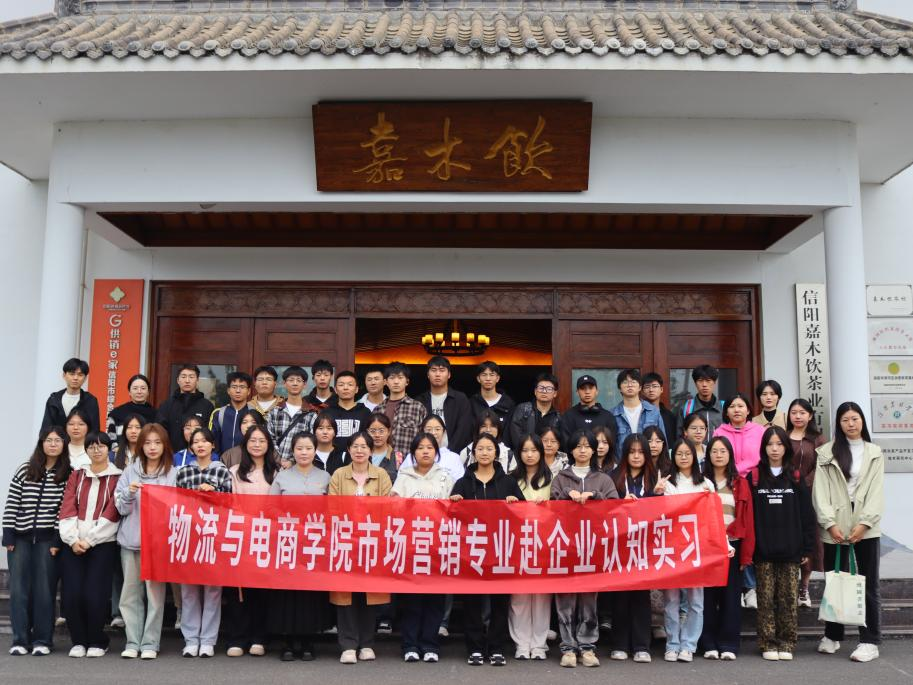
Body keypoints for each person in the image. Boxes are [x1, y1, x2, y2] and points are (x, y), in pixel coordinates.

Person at [813, 402, 884, 663]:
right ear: (839, 424)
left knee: (868, 583)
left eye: (855, 419)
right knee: (835, 581)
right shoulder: (826, 453)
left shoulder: (874, 452)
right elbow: (820, 492)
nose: (851, 424)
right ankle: (832, 636)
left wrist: (864, 524)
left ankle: (869, 640)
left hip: (865, 527)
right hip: (835, 525)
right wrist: (829, 523)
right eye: (845, 420)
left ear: (862, 420)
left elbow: (876, 492)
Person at [451, 433, 524, 666]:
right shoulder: (463, 482)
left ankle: (496, 648)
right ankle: (474, 648)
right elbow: (450, 516)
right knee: (472, 602)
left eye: (489, 449)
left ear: (496, 453)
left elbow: (524, 515)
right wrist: (454, 503)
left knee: (500, 602)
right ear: (474, 453)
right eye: (480, 449)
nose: (484, 453)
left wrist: (515, 504)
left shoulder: (508, 482)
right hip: (471, 551)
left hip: (501, 550)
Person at [551, 429, 618, 668]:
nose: (582, 450)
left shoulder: (603, 479)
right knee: (565, 599)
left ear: (593, 450)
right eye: (578, 446)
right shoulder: (561, 478)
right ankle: (568, 648)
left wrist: (595, 495)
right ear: (571, 450)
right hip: (566, 547)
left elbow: (616, 507)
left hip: (593, 548)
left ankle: (588, 647)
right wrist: (565, 494)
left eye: (587, 446)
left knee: (589, 599)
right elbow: (550, 508)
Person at [3, 427, 70, 656]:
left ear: (64, 445)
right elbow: (12, 503)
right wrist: (8, 534)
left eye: (57, 440)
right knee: (18, 590)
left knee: (44, 591)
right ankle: (20, 639)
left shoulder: (67, 473)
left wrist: (57, 540)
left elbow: (63, 511)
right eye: (48, 440)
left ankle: (43, 640)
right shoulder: (26, 469)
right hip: (19, 538)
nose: (53, 444)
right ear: (42, 443)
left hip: (47, 540)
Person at [751, 426, 816, 662]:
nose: (775, 449)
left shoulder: (795, 477)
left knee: (788, 599)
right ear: (763, 448)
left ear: (786, 448)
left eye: (779, 444)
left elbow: (807, 515)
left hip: (791, 550)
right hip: (763, 550)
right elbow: (749, 517)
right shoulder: (754, 477)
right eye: (770, 444)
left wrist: (807, 548)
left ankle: (787, 642)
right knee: (765, 599)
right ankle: (767, 642)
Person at [329, 431, 393, 664]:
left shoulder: (381, 475)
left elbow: (387, 507)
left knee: (369, 594)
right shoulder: (339, 474)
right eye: (355, 446)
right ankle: (347, 645)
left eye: (364, 446)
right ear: (348, 449)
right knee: (345, 595)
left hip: (372, 541)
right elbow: (332, 507)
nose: (359, 450)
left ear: (371, 450)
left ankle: (366, 643)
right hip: (345, 541)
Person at [114, 423, 176, 659]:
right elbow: (120, 508)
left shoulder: (172, 473)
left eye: (157, 443)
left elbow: (176, 509)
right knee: (129, 595)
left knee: (155, 597)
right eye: (148, 443)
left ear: (165, 445)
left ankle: (150, 643)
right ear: (140, 446)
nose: (152, 447)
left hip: (158, 545)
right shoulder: (130, 471)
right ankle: (132, 641)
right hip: (131, 541)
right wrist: (129, 493)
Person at [268, 433, 332, 661]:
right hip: (287, 542)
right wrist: (290, 516)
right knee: (287, 593)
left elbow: (333, 508)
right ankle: (287, 642)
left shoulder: (325, 476)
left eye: (308, 448)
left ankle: (307, 642)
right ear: (293, 451)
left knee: (309, 593)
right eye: (299, 448)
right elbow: (270, 507)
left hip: (314, 544)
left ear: (315, 451)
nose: (304, 453)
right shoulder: (282, 477)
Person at [58, 431, 122, 658]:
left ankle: (97, 640)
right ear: (86, 450)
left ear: (109, 449)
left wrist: (90, 540)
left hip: (102, 544)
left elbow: (113, 512)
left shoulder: (117, 477)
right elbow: (67, 507)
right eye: (92, 446)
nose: (96, 450)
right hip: (73, 543)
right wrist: (73, 539)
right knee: (72, 594)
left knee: (95, 594)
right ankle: (78, 641)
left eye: (101, 446)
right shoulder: (77, 475)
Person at [392, 432, 454, 663]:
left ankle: (430, 645)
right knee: (412, 600)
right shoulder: (404, 477)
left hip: (437, 546)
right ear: (413, 452)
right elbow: (394, 507)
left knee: (434, 600)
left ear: (436, 452)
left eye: (429, 447)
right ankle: (410, 644)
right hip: (411, 545)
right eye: (420, 448)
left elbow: (453, 508)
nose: (425, 451)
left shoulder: (445, 477)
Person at [654, 438, 713, 663]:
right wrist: (657, 493)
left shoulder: (705, 483)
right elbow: (659, 515)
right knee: (671, 600)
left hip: (697, 548)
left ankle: (688, 645)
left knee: (696, 600)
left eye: (688, 453)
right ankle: (672, 644)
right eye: (679, 453)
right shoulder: (668, 483)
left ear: (694, 457)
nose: (684, 457)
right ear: (673, 457)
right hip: (672, 547)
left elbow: (713, 519)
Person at [175, 427, 231, 657]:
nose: (200, 445)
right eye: (195, 442)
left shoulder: (222, 471)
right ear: (191, 447)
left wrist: (214, 491)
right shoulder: (183, 472)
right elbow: (174, 504)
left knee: (212, 590)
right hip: (189, 536)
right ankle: (190, 640)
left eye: (204, 441)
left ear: (213, 445)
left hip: (213, 536)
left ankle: (208, 640)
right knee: (188, 590)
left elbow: (230, 504)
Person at [699, 435, 754, 661]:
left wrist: (746, 556)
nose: (718, 455)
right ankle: (708, 643)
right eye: (714, 451)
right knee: (707, 597)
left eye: (723, 451)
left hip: (732, 546)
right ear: (708, 455)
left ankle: (729, 643)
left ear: (730, 455)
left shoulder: (740, 483)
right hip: (706, 547)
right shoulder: (700, 482)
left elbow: (747, 520)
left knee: (731, 597)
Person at [225, 426, 278, 657]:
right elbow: (230, 502)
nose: (257, 445)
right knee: (239, 591)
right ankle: (237, 638)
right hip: (241, 535)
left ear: (269, 445)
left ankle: (259, 637)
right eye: (253, 440)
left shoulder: (276, 472)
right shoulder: (234, 472)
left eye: (262, 441)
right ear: (245, 444)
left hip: (267, 537)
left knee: (262, 590)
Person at [608, 433, 657, 664]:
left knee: (641, 596)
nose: (636, 456)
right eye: (632, 452)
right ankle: (619, 644)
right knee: (620, 596)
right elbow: (604, 507)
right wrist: (620, 503)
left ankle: (641, 645)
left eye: (640, 452)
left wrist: (656, 495)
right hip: (620, 545)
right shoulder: (614, 477)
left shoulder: (655, 479)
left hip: (645, 546)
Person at [714, 393, 766, 609]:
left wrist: (745, 473)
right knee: (732, 535)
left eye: (741, 406)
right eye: (732, 406)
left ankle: (751, 587)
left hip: (753, 486)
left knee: (751, 534)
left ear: (748, 410)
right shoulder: (719, 432)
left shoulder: (759, 431)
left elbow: (761, 458)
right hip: (729, 487)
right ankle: (737, 588)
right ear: (726, 412)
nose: (737, 410)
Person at [508, 433, 552, 661]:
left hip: (544, 542)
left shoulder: (551, 477)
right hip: (518, 542)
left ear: (541, 453)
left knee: (542, 596)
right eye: (525, 450)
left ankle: (539, 644)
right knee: (520, 596)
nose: (529, 455)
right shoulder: (511, 478)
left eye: (534, 450)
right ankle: (521, 643)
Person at [787, 398, 827, 606]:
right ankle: (789, 586)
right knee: (789, 537)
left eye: (802, 412)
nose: (798, 416)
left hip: (810, 494)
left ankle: (804, 587)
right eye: (794, 412)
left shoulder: (817, 439)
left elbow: (823, 466)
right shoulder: (783, 436)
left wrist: (803, 484)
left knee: (809, 539)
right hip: (786, 493)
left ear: (810, 415)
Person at [417, 356, 474, 453]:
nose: (437, 374)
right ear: (428, 375)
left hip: (454, 454)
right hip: (425, 453)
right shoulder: (420, 401)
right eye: (433, 370)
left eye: (442, 370)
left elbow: (464, 429)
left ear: (449, 375)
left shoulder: (460, 399)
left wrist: (449, 453)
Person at [373, 361, 427, 456]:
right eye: (392, 378)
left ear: (407, 382)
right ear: (385, 382)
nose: (396, 382)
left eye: (400, 377)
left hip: (408, 461)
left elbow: (425, 438)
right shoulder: (378, 409)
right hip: (381, 461)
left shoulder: (418, 408)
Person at [156, 364, 215, 451]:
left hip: (199, 454)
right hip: (172, 455)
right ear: (178, 380)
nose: (187, 381)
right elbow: (160, 432)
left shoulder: (207, 406)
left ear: (197, 380)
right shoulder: (167, 405)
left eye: (191, 377)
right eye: (183, 377)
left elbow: (210, 434)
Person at [267, 366, 317, 465]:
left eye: (299, 380)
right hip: (274, 465)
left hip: (299, 466)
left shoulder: (311, 414)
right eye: (291, 380)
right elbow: (269, 438)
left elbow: (312, 442)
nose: (295, 383)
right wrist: (279, 460)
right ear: (284, 383)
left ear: (304, 385)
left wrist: (292, 461)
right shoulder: (275, 411)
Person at [41, 358, 100, 433]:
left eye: (80, 375)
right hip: (58, 440)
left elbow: (94, 430)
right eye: (72, 374)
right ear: (64, 375)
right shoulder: (54, 400)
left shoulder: (90, 400)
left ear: (85, 378)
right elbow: (46, 428)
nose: (75, 378)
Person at [401, 414, 465, 482]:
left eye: (437, 429)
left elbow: (459, 484)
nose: (433, 433)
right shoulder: (412, 457)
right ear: (422, 432)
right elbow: (401, 481)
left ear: (444, 432)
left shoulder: (454, 458)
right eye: (429, 429)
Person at [557, 375, 614, 452]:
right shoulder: (568, 416)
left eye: (590, 388)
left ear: (597, 391)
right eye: (583, 388)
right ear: (577, 392)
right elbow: (565, 444)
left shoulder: (608, 416)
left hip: (601, 459)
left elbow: (612, 443)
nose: (587, 392)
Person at [611, 369, 666, 446]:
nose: (630, 385)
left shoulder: (653, 411)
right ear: (620, 388)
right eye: (625, 382)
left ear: (640, 387)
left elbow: (663, 440)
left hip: (648, 454)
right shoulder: (613, 414)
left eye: (633, 382)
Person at [509, 373, 561, 449]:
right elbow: (516, 436)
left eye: (549, 389)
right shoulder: (523, 409)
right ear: (535, 391)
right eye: (541, 388)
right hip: (525, 453)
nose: (544, 391)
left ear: (555, 393)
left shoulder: (557, 417)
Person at [325, 370, 374, 450]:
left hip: (358, 455)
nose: (345, 388)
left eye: (350, 384)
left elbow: (369, 439)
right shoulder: (327, 412)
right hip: (332, 456)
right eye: (341, 385)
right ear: (336, 390)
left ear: (356, 389)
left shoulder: (365, 413)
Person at [469, 361, 516, 441]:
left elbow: (510, 432)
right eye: (484, 375)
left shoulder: (508, 404)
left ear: (497, 378)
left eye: (492, 375)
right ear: (478, 378)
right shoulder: (471, 403)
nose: (488, 378)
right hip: (477, 447)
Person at [675, 365, 725, 439]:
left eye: (708, 380)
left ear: (714, 382)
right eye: (700, 381)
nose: (704, 385)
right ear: (695, 383)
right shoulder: (686, 408)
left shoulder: (724, 407)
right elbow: (679, 437)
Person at [209, 371, 252, 454]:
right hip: (222, 460)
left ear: (249, 391)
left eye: (242, 387)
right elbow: (211, 440)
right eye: (234, 387)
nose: (238, 390)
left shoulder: (254, 413)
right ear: (228, 390)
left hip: (247, 460)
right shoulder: (219, 413)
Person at [105, 373, 156, 443]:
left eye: (143, 388)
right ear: (129, 392)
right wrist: (116, 448)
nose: (139, 392)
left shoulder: (156, 414)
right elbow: (111, 437)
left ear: (148, 392)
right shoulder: (116, 413)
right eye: (135, 388)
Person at [641, 372, 677, 446]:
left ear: (661, 389)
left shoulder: (669, 416)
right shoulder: (638, 413)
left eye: (654, 386)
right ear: (642, 391)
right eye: (647, 387)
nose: (651, 390)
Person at [365, 413, 403, 482]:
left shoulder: (397, 457)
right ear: (367, 432)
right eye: (373, 431)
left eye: (381, 431)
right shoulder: (362, 454)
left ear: (389, 431)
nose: (377, 435)